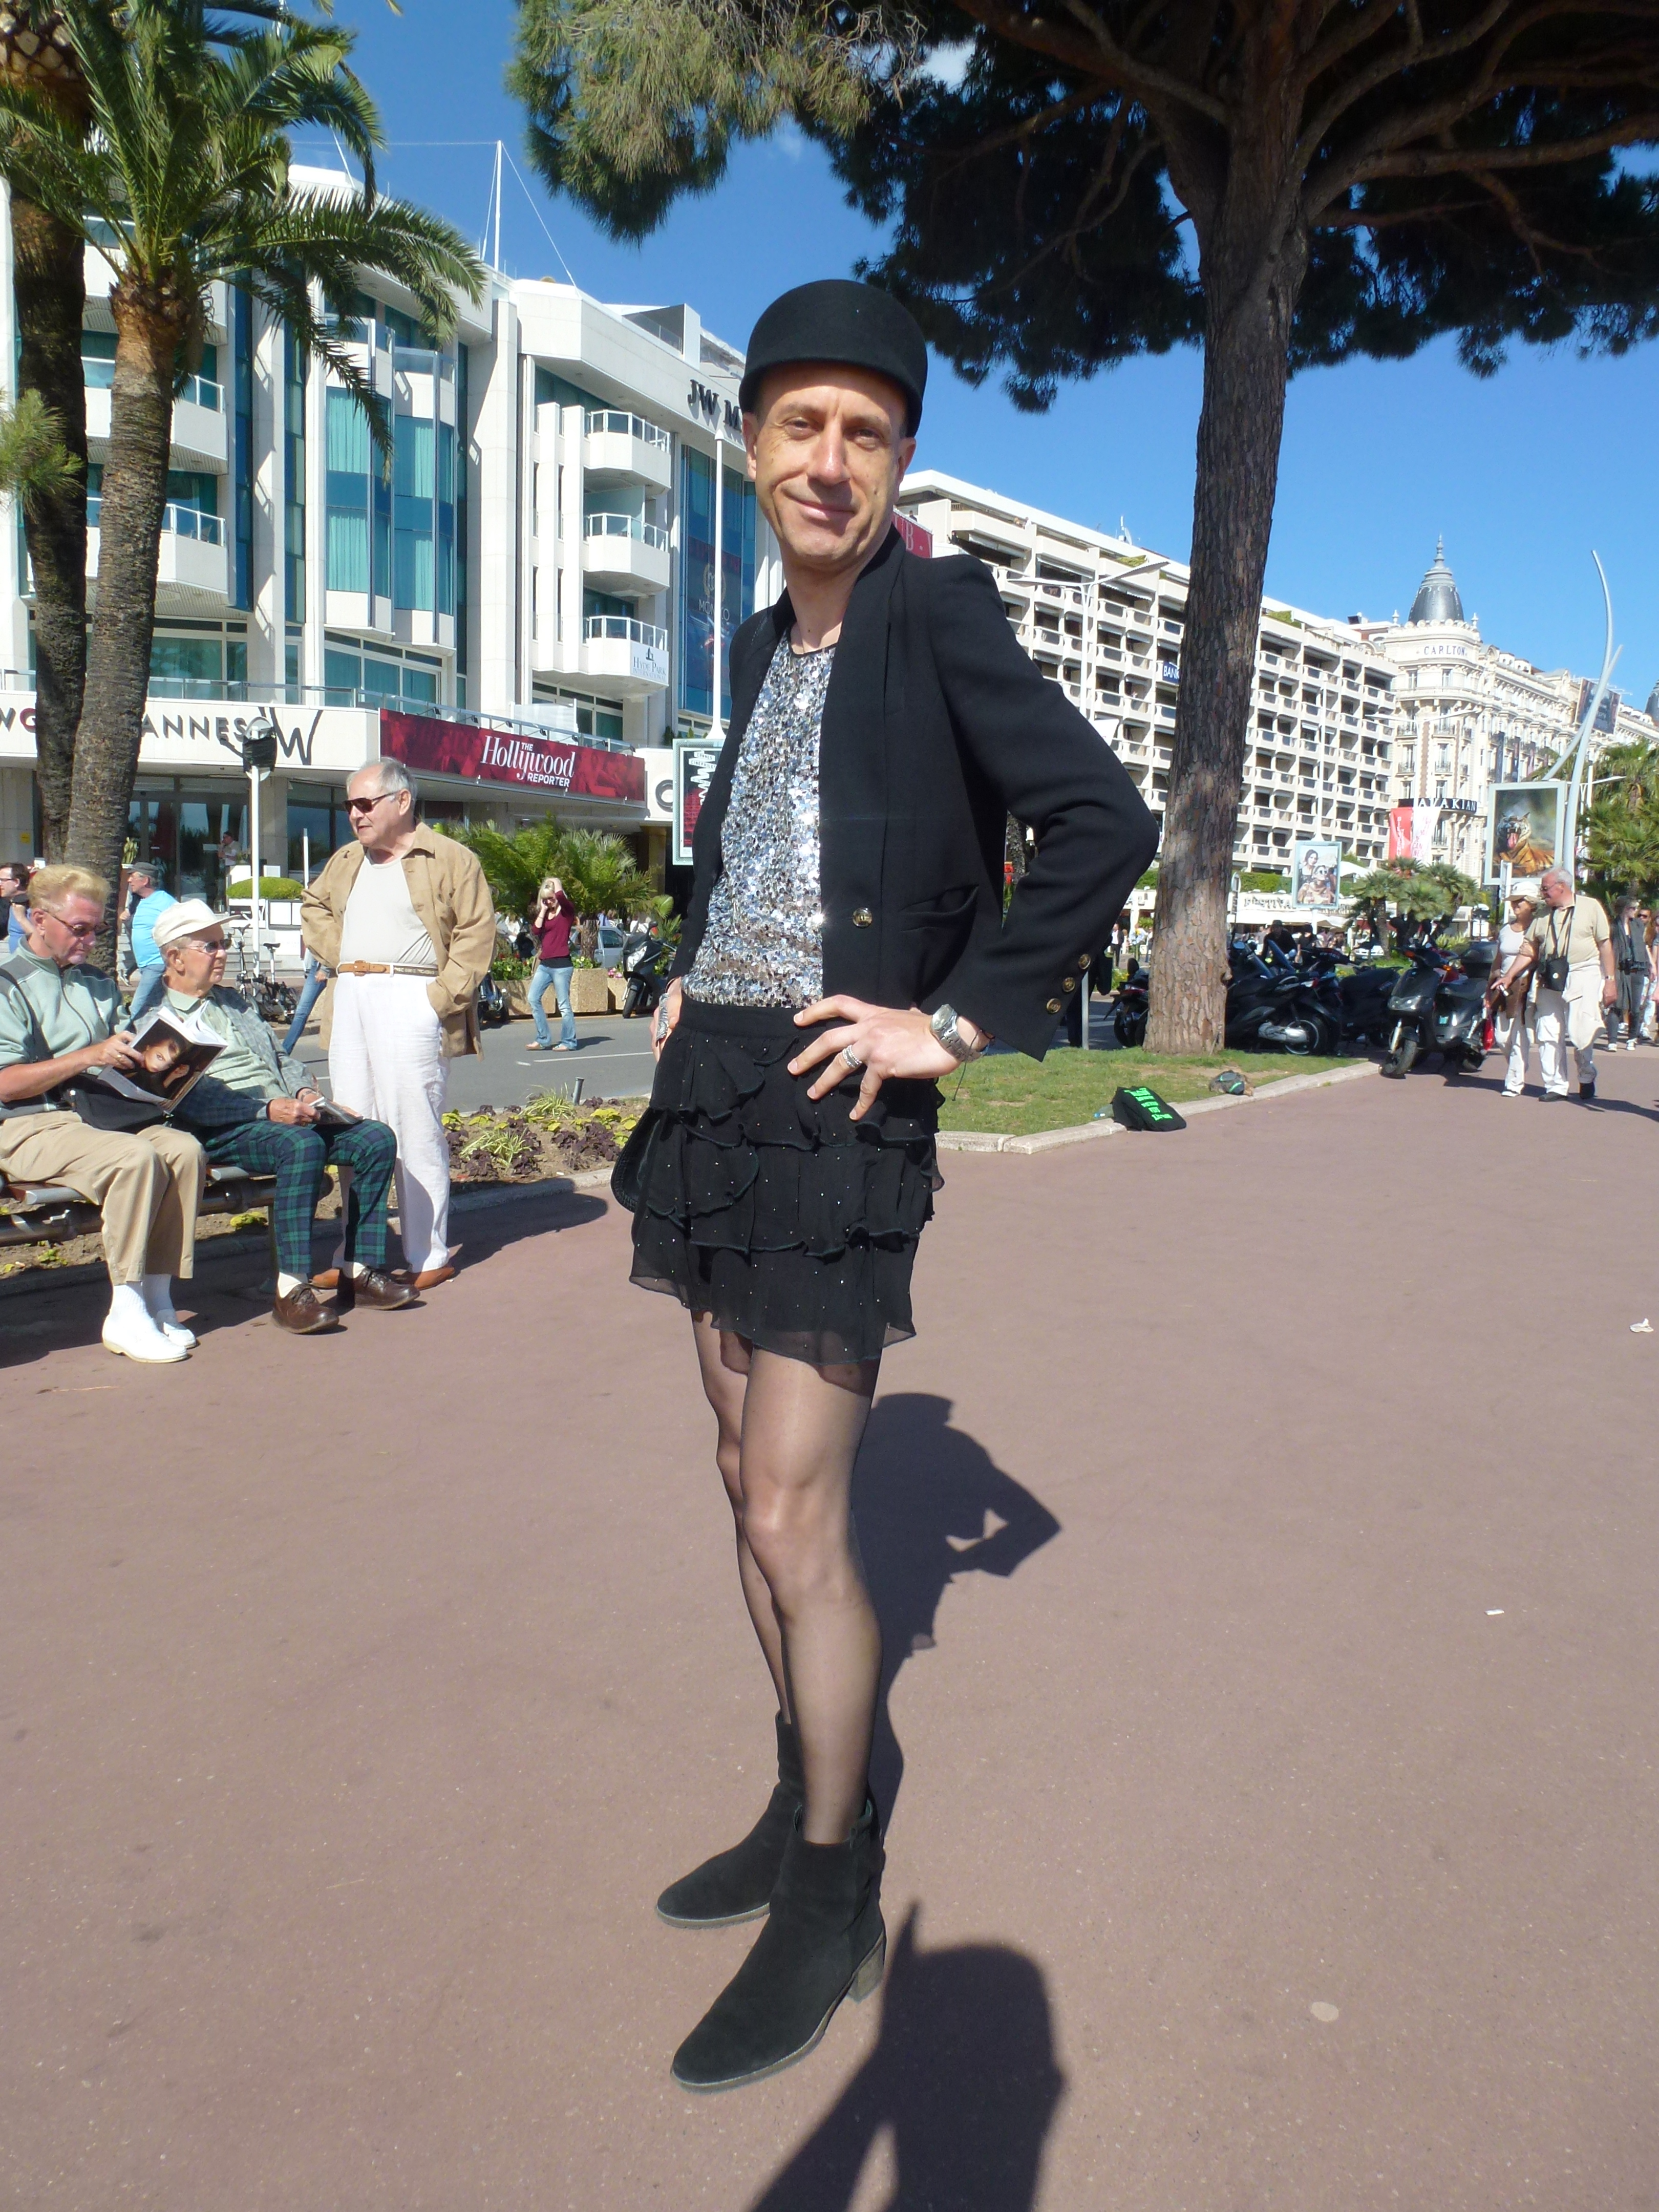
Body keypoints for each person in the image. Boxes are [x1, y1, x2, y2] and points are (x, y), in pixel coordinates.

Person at [612, 279, 1157, 2094]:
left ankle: (836, 1883)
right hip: (718, 1079)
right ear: (754, 444)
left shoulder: (939, 610)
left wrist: (962, 1020)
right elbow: (750, 834)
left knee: (792, 1516)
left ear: (900, 458)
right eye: (801, 425)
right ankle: (803, 1788)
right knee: (732, 1469)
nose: (829, 459)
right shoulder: (762, 640)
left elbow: (1102, 823)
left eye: (866, 431)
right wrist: (694, 962)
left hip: (843, 1096)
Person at [154, 900, 415, 1334]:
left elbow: (281, 1057)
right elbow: (187, 1099)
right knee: (301, 1145)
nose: (222, 954)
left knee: (375, 1139)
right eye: (210, 946)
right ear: (175, 957)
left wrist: (304, 1093)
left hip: (282, 1115)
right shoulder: (157, 1019)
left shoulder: (233, 1002)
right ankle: (291, 1290)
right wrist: (266, 1109)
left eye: (224, 943)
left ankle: (359, 1271)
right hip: (223, 1127)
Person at [300, 758, 494, 1291]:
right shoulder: (346, 859)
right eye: (349, 806)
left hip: (412, 993)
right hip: (351, 996)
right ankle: (355, 1254)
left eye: (365, 804)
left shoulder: (450, 859)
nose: (355, 815)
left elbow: (477, 933)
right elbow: (313, 906)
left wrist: (437, 1000)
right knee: (353, 1128)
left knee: (414, 1126)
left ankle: (427, 1254)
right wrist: (345, 955)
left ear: (402, 801)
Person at [0, 864, 204, 1363]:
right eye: (80, 929)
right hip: (29, 1123)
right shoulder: (7, 984)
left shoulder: (98, 982)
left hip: (98, 1115)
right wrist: (88, 1056)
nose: (90, 941)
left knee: (184, 1150)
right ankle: (126, 1309)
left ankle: (157, 1298)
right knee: (134, 1158)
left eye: (98, 929)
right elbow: (6, 1083)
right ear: (39, 919)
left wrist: (163, 1065)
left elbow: (119, 1053)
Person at [1491, 866, 1615, 1101]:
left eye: (1546, 888)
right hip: (1549, 974)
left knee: (1581, 1031)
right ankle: (1556, 1086)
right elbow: (1529, 950)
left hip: (1583, 972)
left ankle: (1586, 1075)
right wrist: (1509, 976)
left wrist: (1610, 981)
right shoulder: (1542, 916)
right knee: (1548, 1030)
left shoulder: (1590, 907)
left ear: (1562, 887)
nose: (1543, 893)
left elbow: (1605, 945)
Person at [1488, 891, 1539, 1096]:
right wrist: (1489, 989)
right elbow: (1498, 961)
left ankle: (1514, 1083)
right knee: (1501, 1038)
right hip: (1503, 987)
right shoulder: (1505, 930)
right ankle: (1519, 1066)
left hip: (1526, 987)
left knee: (1519, 1036)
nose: (1515, 905)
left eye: (1520, 902)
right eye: (1513, 902)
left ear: (1532, 904)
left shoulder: (1537, 928)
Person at [526, 874, 577, 1052]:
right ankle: (543, 1038)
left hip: (562, 966)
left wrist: (555, 882)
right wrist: (542, 910)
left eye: (551, 898)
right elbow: (536, 930)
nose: (549, 902)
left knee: (564, 1006)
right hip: (545, 965)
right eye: (545, 899)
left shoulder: (567, 912)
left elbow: (562, 896)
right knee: (533, 998)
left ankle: (569, 1042)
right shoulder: (546, 914)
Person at [124, 863, 178, 1020]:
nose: (129, 880)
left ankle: (126, 1033)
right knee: (156, 1008)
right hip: (145, 964)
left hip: (157, 963)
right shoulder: (140, 902)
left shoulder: (165, 901)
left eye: (133, 877)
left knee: (137, 1008)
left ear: (145, 880)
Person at [1609, 897, 1649, 1051]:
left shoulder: (1638, 925)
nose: (1636, 911)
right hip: (1619, 969)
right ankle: (1612, 1040)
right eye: (1633, 908)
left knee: (1635, 1007)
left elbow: (1643, 946)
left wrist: (1651, 965)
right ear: (1625, 909)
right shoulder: (1613, 926)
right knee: (1616, 1005)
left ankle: (1632, 1038)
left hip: (1637, 968)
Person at [282, 949, 330, 1056]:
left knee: (302, 1013)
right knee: (301, 1012)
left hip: (327, 969)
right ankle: (284, 1053)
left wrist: (325, 969)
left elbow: (331, 944)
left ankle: (284, 1052)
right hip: (315, 968)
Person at [0, 860, 29, 951]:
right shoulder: (13, 903)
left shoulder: (30, 906)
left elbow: (39, 937)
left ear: (17, 882)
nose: (0, 884)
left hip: (29, 958)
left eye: (3, 880)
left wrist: (21, 918)